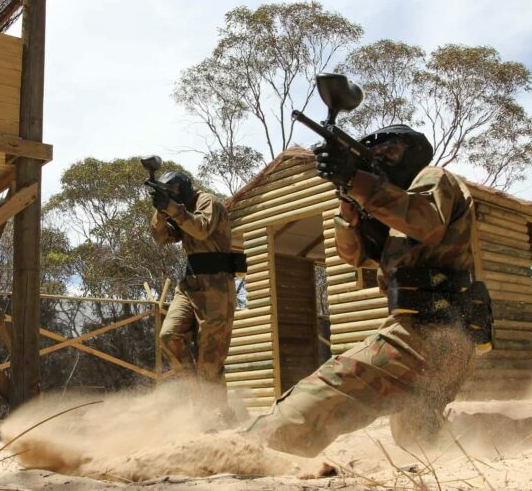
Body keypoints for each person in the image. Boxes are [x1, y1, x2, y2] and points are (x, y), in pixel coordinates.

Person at [245, 124, 493, 457]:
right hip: (443, 339)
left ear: (414, 154)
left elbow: (427, 222)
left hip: (426, 334)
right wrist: (348, 198)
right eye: (376, 155)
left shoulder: (433, 178)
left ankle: (246, 449)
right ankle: (523, 431)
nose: (382, 158)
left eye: (391, 151)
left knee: (317, 398)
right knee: (420, 437)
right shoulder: (393, 210)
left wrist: (359, 182)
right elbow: (354, 255)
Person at [149, 171, 238, 388]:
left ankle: (213, 405)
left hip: (216, 287)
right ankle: (195, 392)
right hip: (190, 284)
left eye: (173, 190)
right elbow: (161, 237)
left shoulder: (207, 201)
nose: (172, 195)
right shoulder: (179, 209)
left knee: (209, 361)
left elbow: (201, 229)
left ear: (185, 186)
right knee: (169, 336)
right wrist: (160, 211)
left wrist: (170, 207)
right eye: (168, 193)